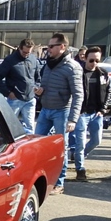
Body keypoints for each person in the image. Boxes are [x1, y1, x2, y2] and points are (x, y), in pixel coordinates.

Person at [34, 33, 83, 195]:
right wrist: (40, 90)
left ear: (62, 47)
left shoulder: (72, 67)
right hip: (45, 109)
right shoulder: (49, 64)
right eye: (48, 46)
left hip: (62, 111)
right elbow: (45, 83)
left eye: (51, 46)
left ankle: (59, 183)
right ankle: (40, 178)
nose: (48, 49)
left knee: (61, 147)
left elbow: (78, 95)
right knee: (37, 144)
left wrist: (72, 119)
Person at [71, 46, 110, 182]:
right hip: (81, 113)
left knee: (96, 141)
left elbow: (108, 91)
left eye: (97, 61)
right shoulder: (78, 73)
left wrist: (103, 109)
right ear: (85, 58)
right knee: (80, 143)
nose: (94, 63)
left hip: (96, 113)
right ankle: (80, 169)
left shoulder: (103, 74)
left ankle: (79, 155)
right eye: (91, 60)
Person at [0, 38, 40, 132]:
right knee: (6, 126)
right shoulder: (10, 60)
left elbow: (37, 76)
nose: (26, 55)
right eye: (24, 52)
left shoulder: (33, 59)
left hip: (30, 99)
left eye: (28, 53)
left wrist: (36, 87)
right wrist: (8, 93)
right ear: (19, 48)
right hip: (15, 99)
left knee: (30, 128)